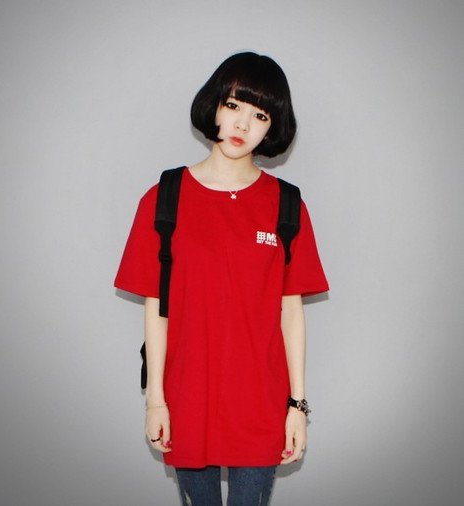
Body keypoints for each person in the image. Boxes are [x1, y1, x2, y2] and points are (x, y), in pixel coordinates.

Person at [114, 51, 329, 506]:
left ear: (273, 128)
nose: (242, 124)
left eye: (260, 115)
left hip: (261, 403)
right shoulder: (165, 198)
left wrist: (297, 405)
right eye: (233, 105)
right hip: (187, 399)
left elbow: (291, 314)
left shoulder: (287, 205)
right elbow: (157, 309)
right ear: (214, 105)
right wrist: (156, 401)